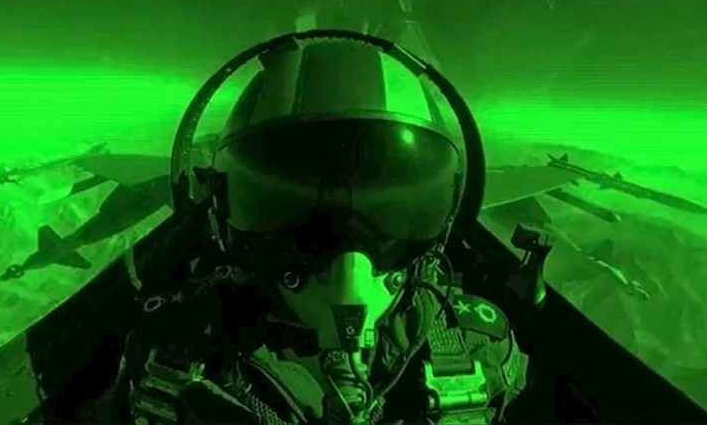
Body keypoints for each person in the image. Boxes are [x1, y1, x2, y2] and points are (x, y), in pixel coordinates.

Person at [103, 33, 528, 425]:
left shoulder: (476, 347)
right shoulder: (176, 350)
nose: (349, 266)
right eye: (298, 213)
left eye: (389, 212)